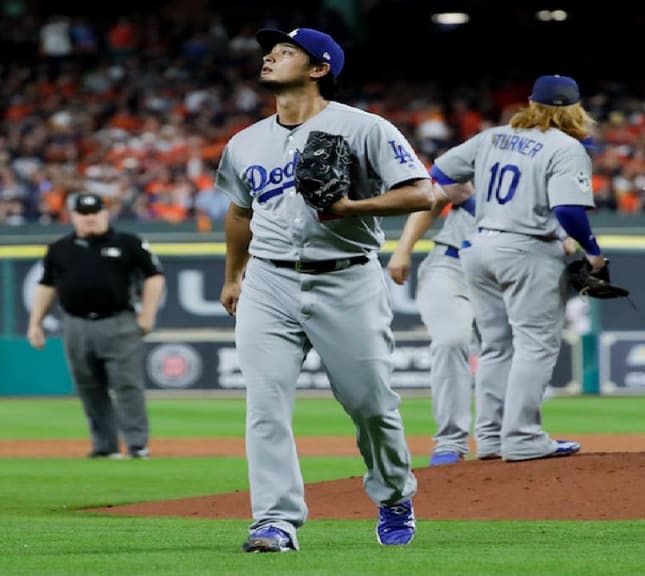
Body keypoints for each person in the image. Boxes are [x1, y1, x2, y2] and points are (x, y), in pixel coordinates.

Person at [216, 27, 433, 552]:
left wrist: (351, 208)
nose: (270, 55)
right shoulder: (245, 142)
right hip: (268, 280)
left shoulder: (364, 128)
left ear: (319, 69)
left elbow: (422, 192)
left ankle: (394, 495)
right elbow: (240, 212)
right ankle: (275, 521)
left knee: (370, 405)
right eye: (270, 49)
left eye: (286, 51)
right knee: (265, 405)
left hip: (347, 277)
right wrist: (233, 275)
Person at [428, 74, 598, 462]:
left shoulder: (493, 136)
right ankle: (522, 437)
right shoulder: (566, 147)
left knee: (495, 346)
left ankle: (489, 438)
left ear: (531, 103)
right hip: (528, 249)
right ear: (575, 109)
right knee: (535, 345)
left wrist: (479, 206)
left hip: (479, 245)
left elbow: (440, 174)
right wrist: (593, 251)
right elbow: (570, 211)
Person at [27, 192, 165, 460]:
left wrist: (147, 314)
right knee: (89, 387)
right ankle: (105, 446)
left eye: (94, 212)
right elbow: (46, 285)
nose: (89, 218)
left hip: (119, 322)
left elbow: (154, 276)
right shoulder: (59, 249)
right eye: (83, 213)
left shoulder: (127, 243)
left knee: (127, 385)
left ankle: (137, 445)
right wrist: (36, 322)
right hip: (76, 325)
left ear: (105, 213)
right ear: (74, 216)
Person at [387, 187, 478, 466]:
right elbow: (434, 198)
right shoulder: (475, 154)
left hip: (510, 271)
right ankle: (450, 442)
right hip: (452, 263)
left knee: (504, 351)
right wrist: (403, 250)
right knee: (451, 340)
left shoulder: (554, 164)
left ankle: (502, 437)